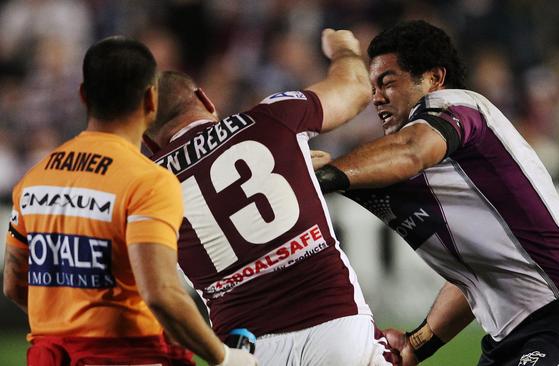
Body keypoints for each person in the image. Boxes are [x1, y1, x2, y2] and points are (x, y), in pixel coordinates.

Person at [315, 20, 559, 366]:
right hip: (507, 343)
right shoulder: (450, 171)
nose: (376, 97)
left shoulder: (461, 106)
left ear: (434, 78)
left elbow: (410, 150)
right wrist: (416, 345)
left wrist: (322, 176)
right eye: (372, 87)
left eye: (388, 82)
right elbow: (476, 275)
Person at [143, 29, 392, 366]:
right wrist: (343, 49)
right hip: (333, 323)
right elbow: (356, 89)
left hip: (246, 349)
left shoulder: (147, 185)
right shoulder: (270, 118)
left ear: (151, 141)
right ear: (205, 100)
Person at [2, 36, 256, 366]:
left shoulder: (33, 180)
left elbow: (13, 285)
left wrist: (69, 323)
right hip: (129, 355)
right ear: (151, 100)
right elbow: (161, 293)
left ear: (83, 97)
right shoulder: (147, 181)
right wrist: (227, 358)